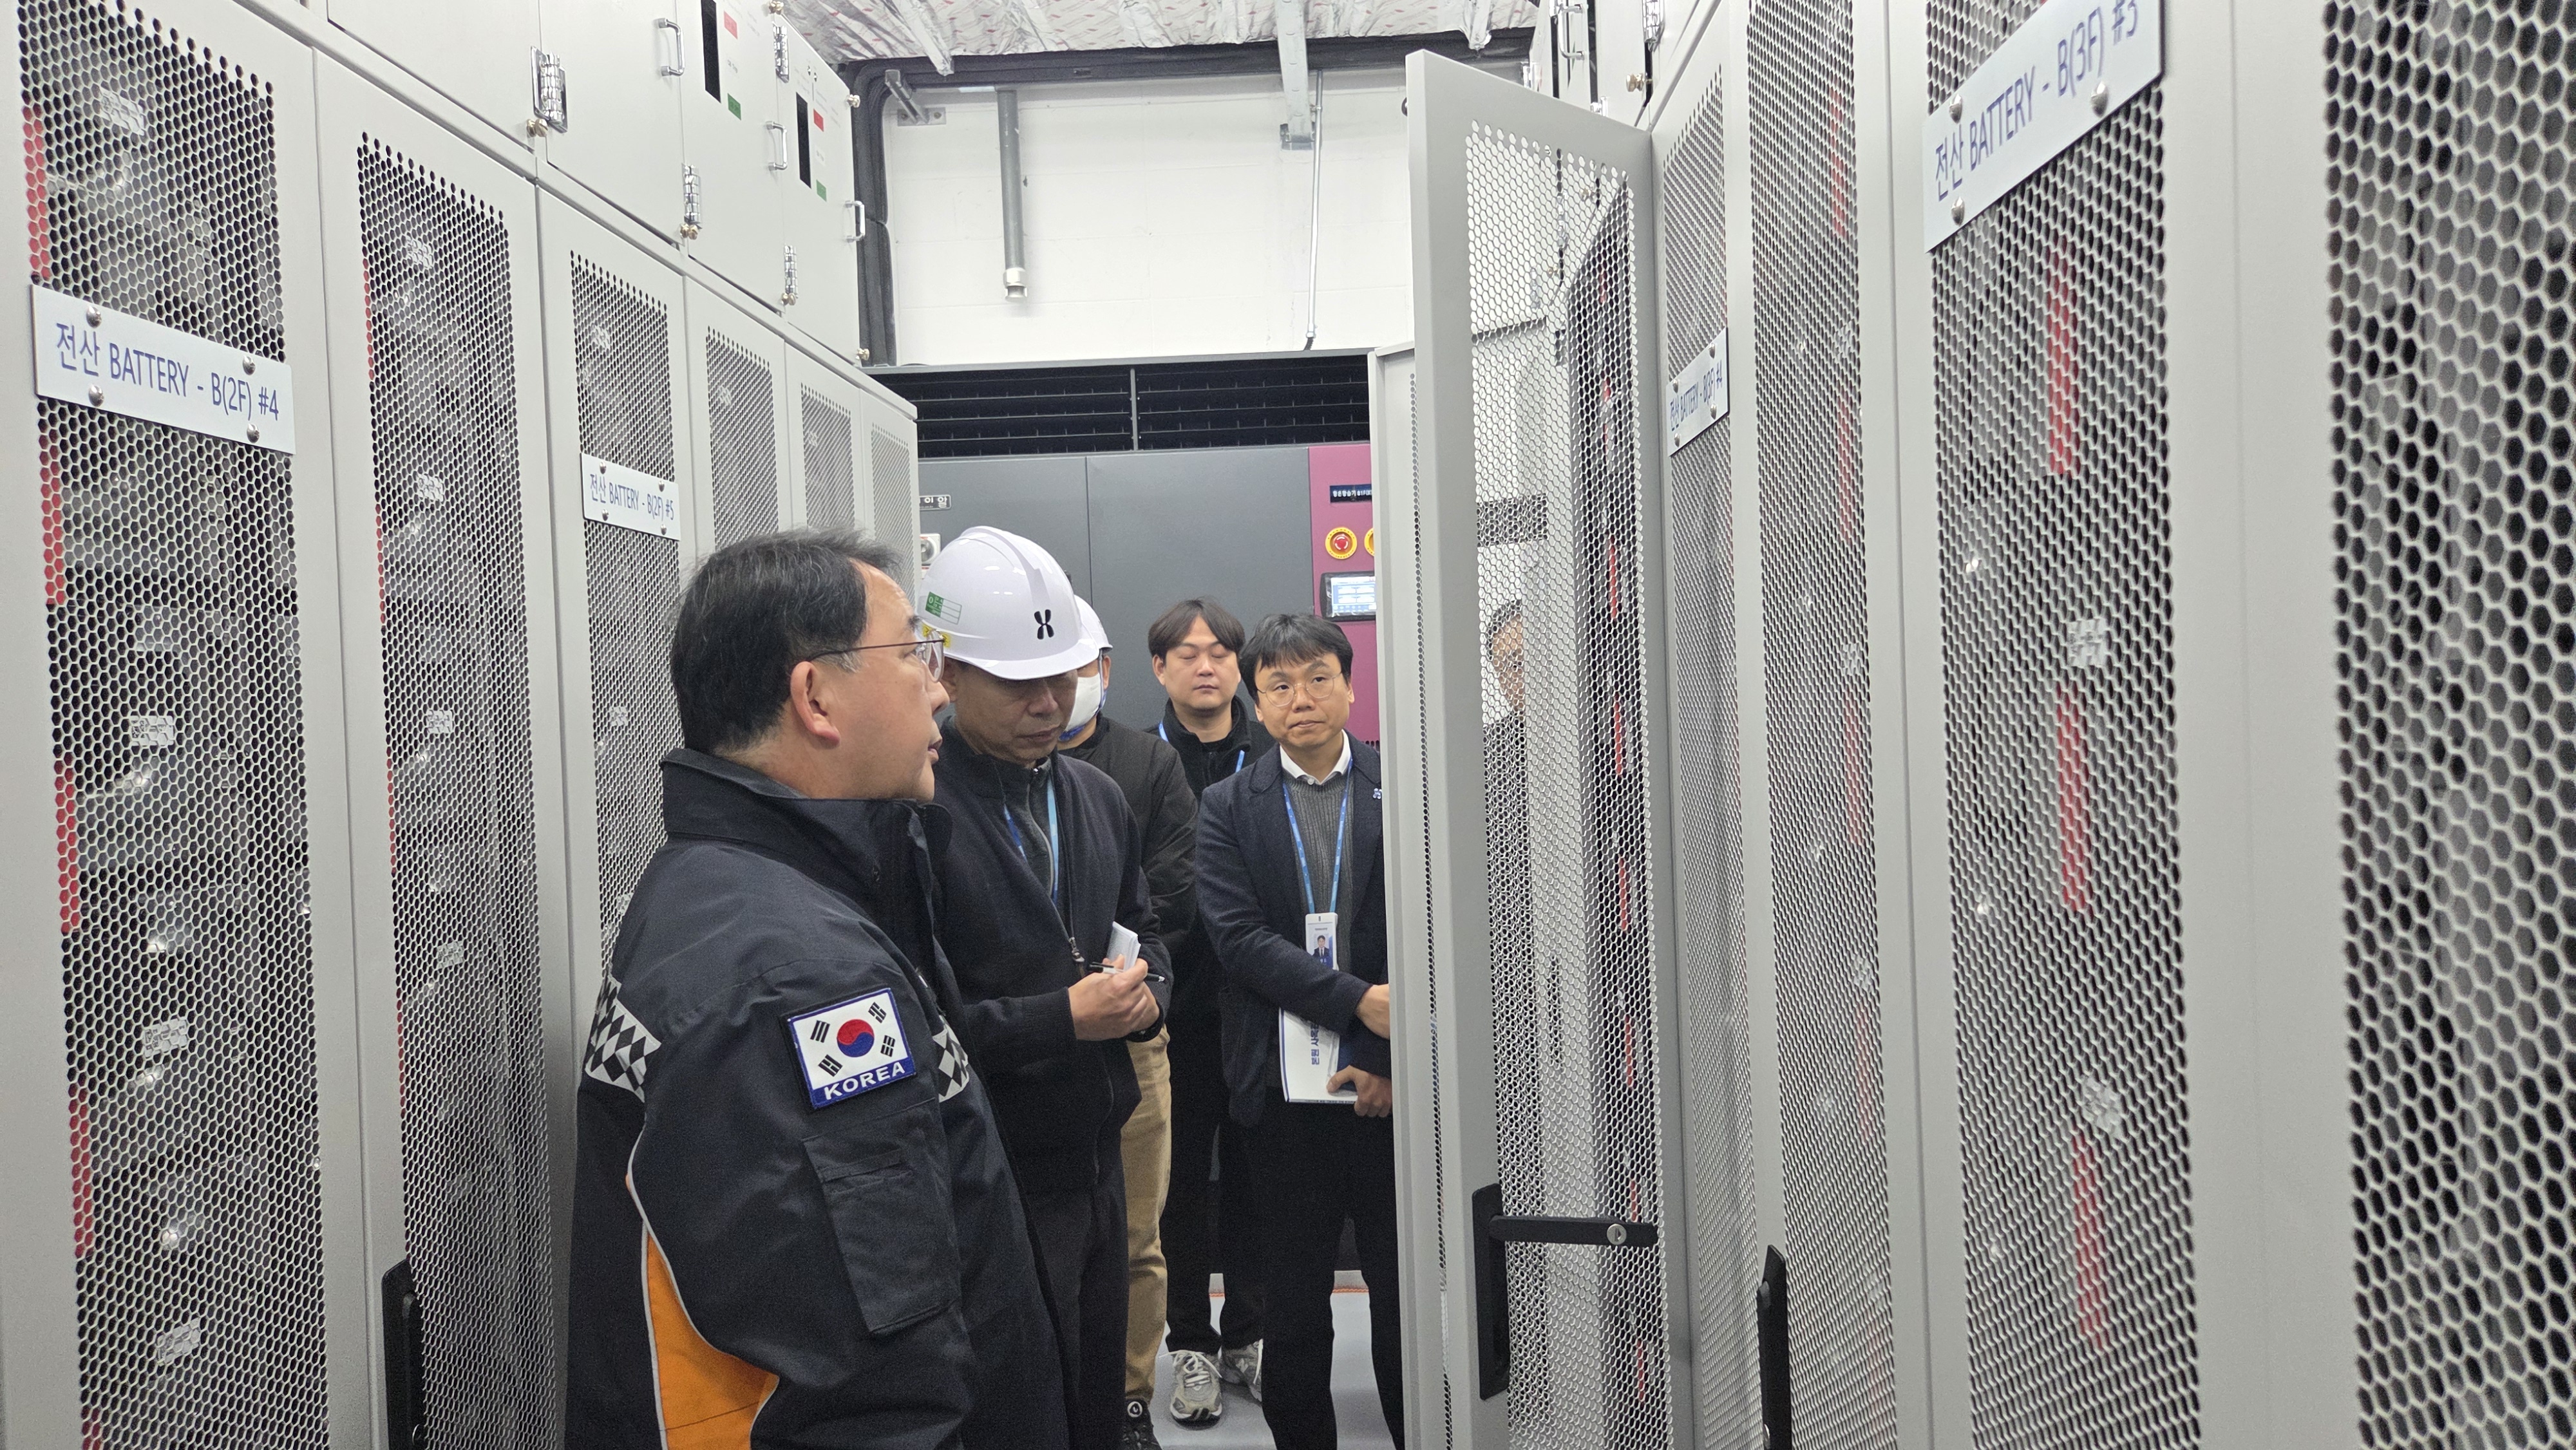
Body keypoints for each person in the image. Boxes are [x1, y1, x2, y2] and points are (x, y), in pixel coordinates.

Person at [566, 530, 1065, 1450]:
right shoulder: (797, 981)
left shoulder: (728, 887)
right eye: (912, 654)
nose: (939, 688)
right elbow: (870, 1397)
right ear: (816, 697)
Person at [923, 528, 1173, 1450]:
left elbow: (1147, 928)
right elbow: (919, 1022)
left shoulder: (1097, 797)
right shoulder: (917, 815)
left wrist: (1147, 992)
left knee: (1096, 1393)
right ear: (947, 673)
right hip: (991, 1169)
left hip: (1097, 1153)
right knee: (1020, 1404)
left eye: (1061, 677)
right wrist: (1058, 1019)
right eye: (1018, 683)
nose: (1048, 702)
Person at [1195, 613, 1402, 1450]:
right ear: (1257, 700)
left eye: (1318, 677)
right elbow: (1239, 940)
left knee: (1400, 1295)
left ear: (1350, 685)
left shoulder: (1402, 785)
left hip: (1388, 1093)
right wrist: (1357, 1003)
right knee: (1294, 1304)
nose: (1300, 698)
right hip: (1280, 1096)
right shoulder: (1227, 805)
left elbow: (1427, 926)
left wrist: (1383, 1053)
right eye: (1278, 685)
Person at [1054, 599, 1198, 1449]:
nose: (1058, 690)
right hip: (1032, 1050)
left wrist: (1137, 987)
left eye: (1077, 667)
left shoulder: (1141, 768)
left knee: (1138, 1237)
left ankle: (1131, 1400)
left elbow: (1166, 898)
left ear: (1105, 669)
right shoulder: (954, 778)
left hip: (1135, 1036)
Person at [1144, 598, 1271, 1426]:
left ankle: (1247, 1336)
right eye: (1188, 653)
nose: (1206, 665)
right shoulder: (1137, 761)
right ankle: (1190, 1342)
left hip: (1264, 1009)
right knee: (1180, 1185)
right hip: (1176, 1015)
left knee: (1259, 1178)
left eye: (1220, 651)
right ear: (1160, 667)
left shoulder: (1273, 755)